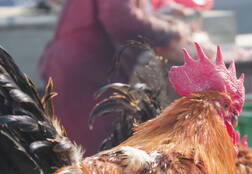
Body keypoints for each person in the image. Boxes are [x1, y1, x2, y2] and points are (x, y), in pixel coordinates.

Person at [39, 0, 194, 154]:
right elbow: (121, 19)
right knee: (94, 156)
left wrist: (164, 21)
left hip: (81, 65)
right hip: (87, 72)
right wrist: (174, 31)